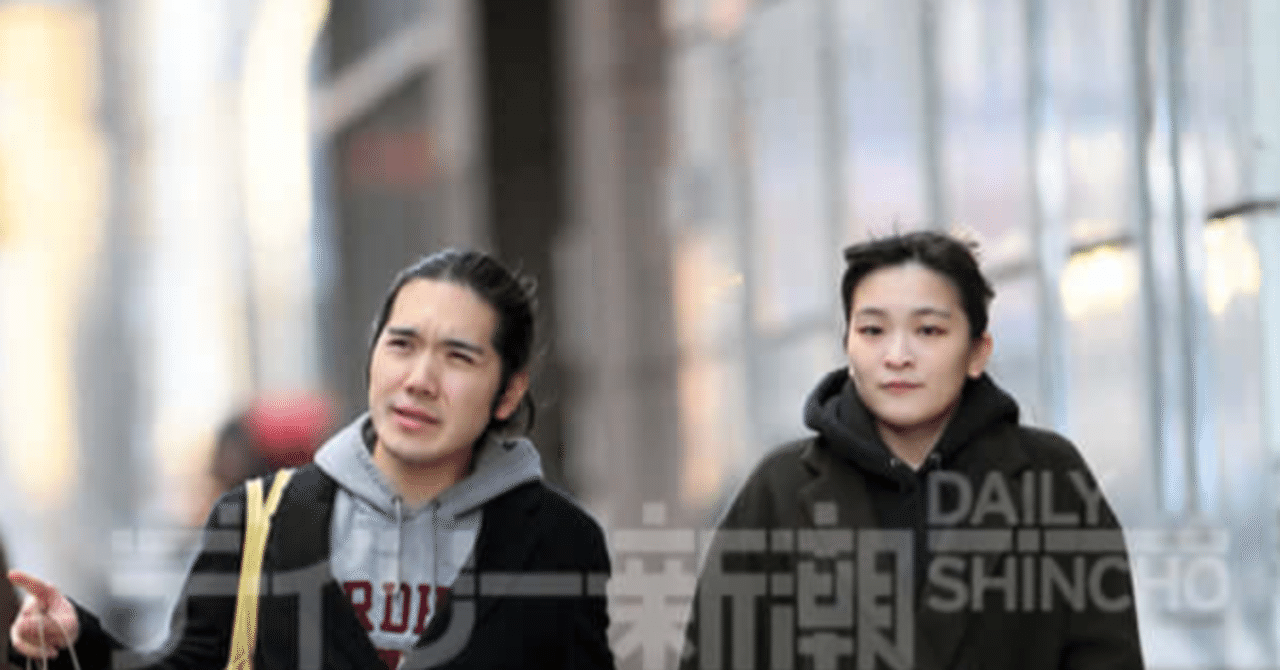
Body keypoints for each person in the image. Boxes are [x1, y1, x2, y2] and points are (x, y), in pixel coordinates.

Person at [10, 249, 615, 670]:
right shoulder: (257, 521)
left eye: (458, 357)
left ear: (508, 392)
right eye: (401, 345)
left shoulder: (558, 543)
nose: (419, 379)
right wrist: (77, 641)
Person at [679, 231, 1144, 669]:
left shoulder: (1050, 478)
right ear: (847, 344)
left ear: (977, 352)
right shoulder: (781, 489)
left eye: (928, 331)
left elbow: (1106, 657)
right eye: (872, 330)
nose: (897, 356)